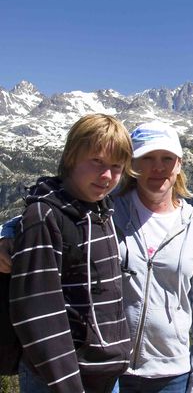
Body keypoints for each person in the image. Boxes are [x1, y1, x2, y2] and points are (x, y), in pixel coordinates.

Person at [9, 114, 134, 392]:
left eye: (116, 167)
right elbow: (38, 312)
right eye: (97, 162)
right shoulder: (45, 217)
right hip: (59, 380)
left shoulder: (103, 211)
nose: (106, 176)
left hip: (103, 374)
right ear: (71, 157)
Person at [114, 121, 193, 392]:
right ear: (131, 163)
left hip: (172, 374)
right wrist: (6, 233)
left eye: (166, 158)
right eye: (147, 158)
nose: (157, 167)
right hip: (110, 370)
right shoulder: (109, 211)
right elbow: (55, 210)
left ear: (179, 164)